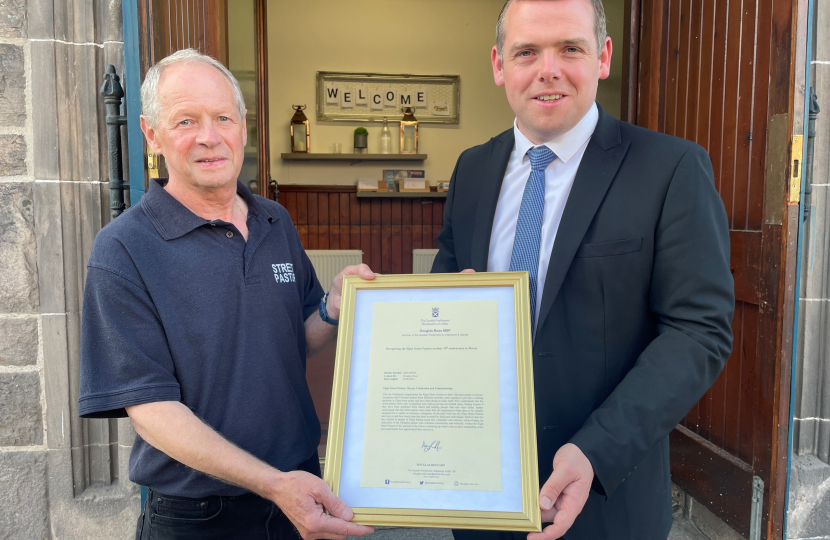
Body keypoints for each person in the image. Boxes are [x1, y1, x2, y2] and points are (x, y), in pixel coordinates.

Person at [431, 0, 734, 539]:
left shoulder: (670, 168)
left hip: (605, 497)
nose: (548, 69)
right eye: (527, 52)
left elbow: (698, 331)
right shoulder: (472, 169)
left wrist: (596, 450)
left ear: (603, 57)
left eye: (570, 47)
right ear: (500, 65)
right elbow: (447, 286)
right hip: (481, 494)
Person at [78, 49, 375, 540]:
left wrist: (331, 308)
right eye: (185, 121)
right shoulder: (123, 248)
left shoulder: (275, 221)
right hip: (199, 515)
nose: (209, 136)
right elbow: (151, 412)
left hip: (301, 488)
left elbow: (298, 338)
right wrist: (274, 485)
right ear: (151, 133)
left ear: (243, 126)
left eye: (222, 117)